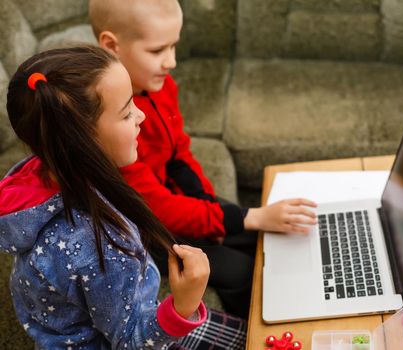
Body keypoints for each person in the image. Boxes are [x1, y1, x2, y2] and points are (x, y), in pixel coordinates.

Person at [0, 46, 246, 349]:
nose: (141, 115)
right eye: (127, 111)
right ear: (82, 142)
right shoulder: (100, 247)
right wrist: (183, 304)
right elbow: (132, 342)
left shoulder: (43, 170)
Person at [88, 0, 318, 318]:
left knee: (265, 236)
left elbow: (179, 152)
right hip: (143, 228)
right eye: (157, 51)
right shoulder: (110, 125)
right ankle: (250, 333)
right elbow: (156, 208)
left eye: (174, 47)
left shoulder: (161, 85)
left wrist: (211, 206)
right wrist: (247, 217)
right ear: (112, 45)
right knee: (241, 271)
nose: (171, 62)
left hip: (170, 201)